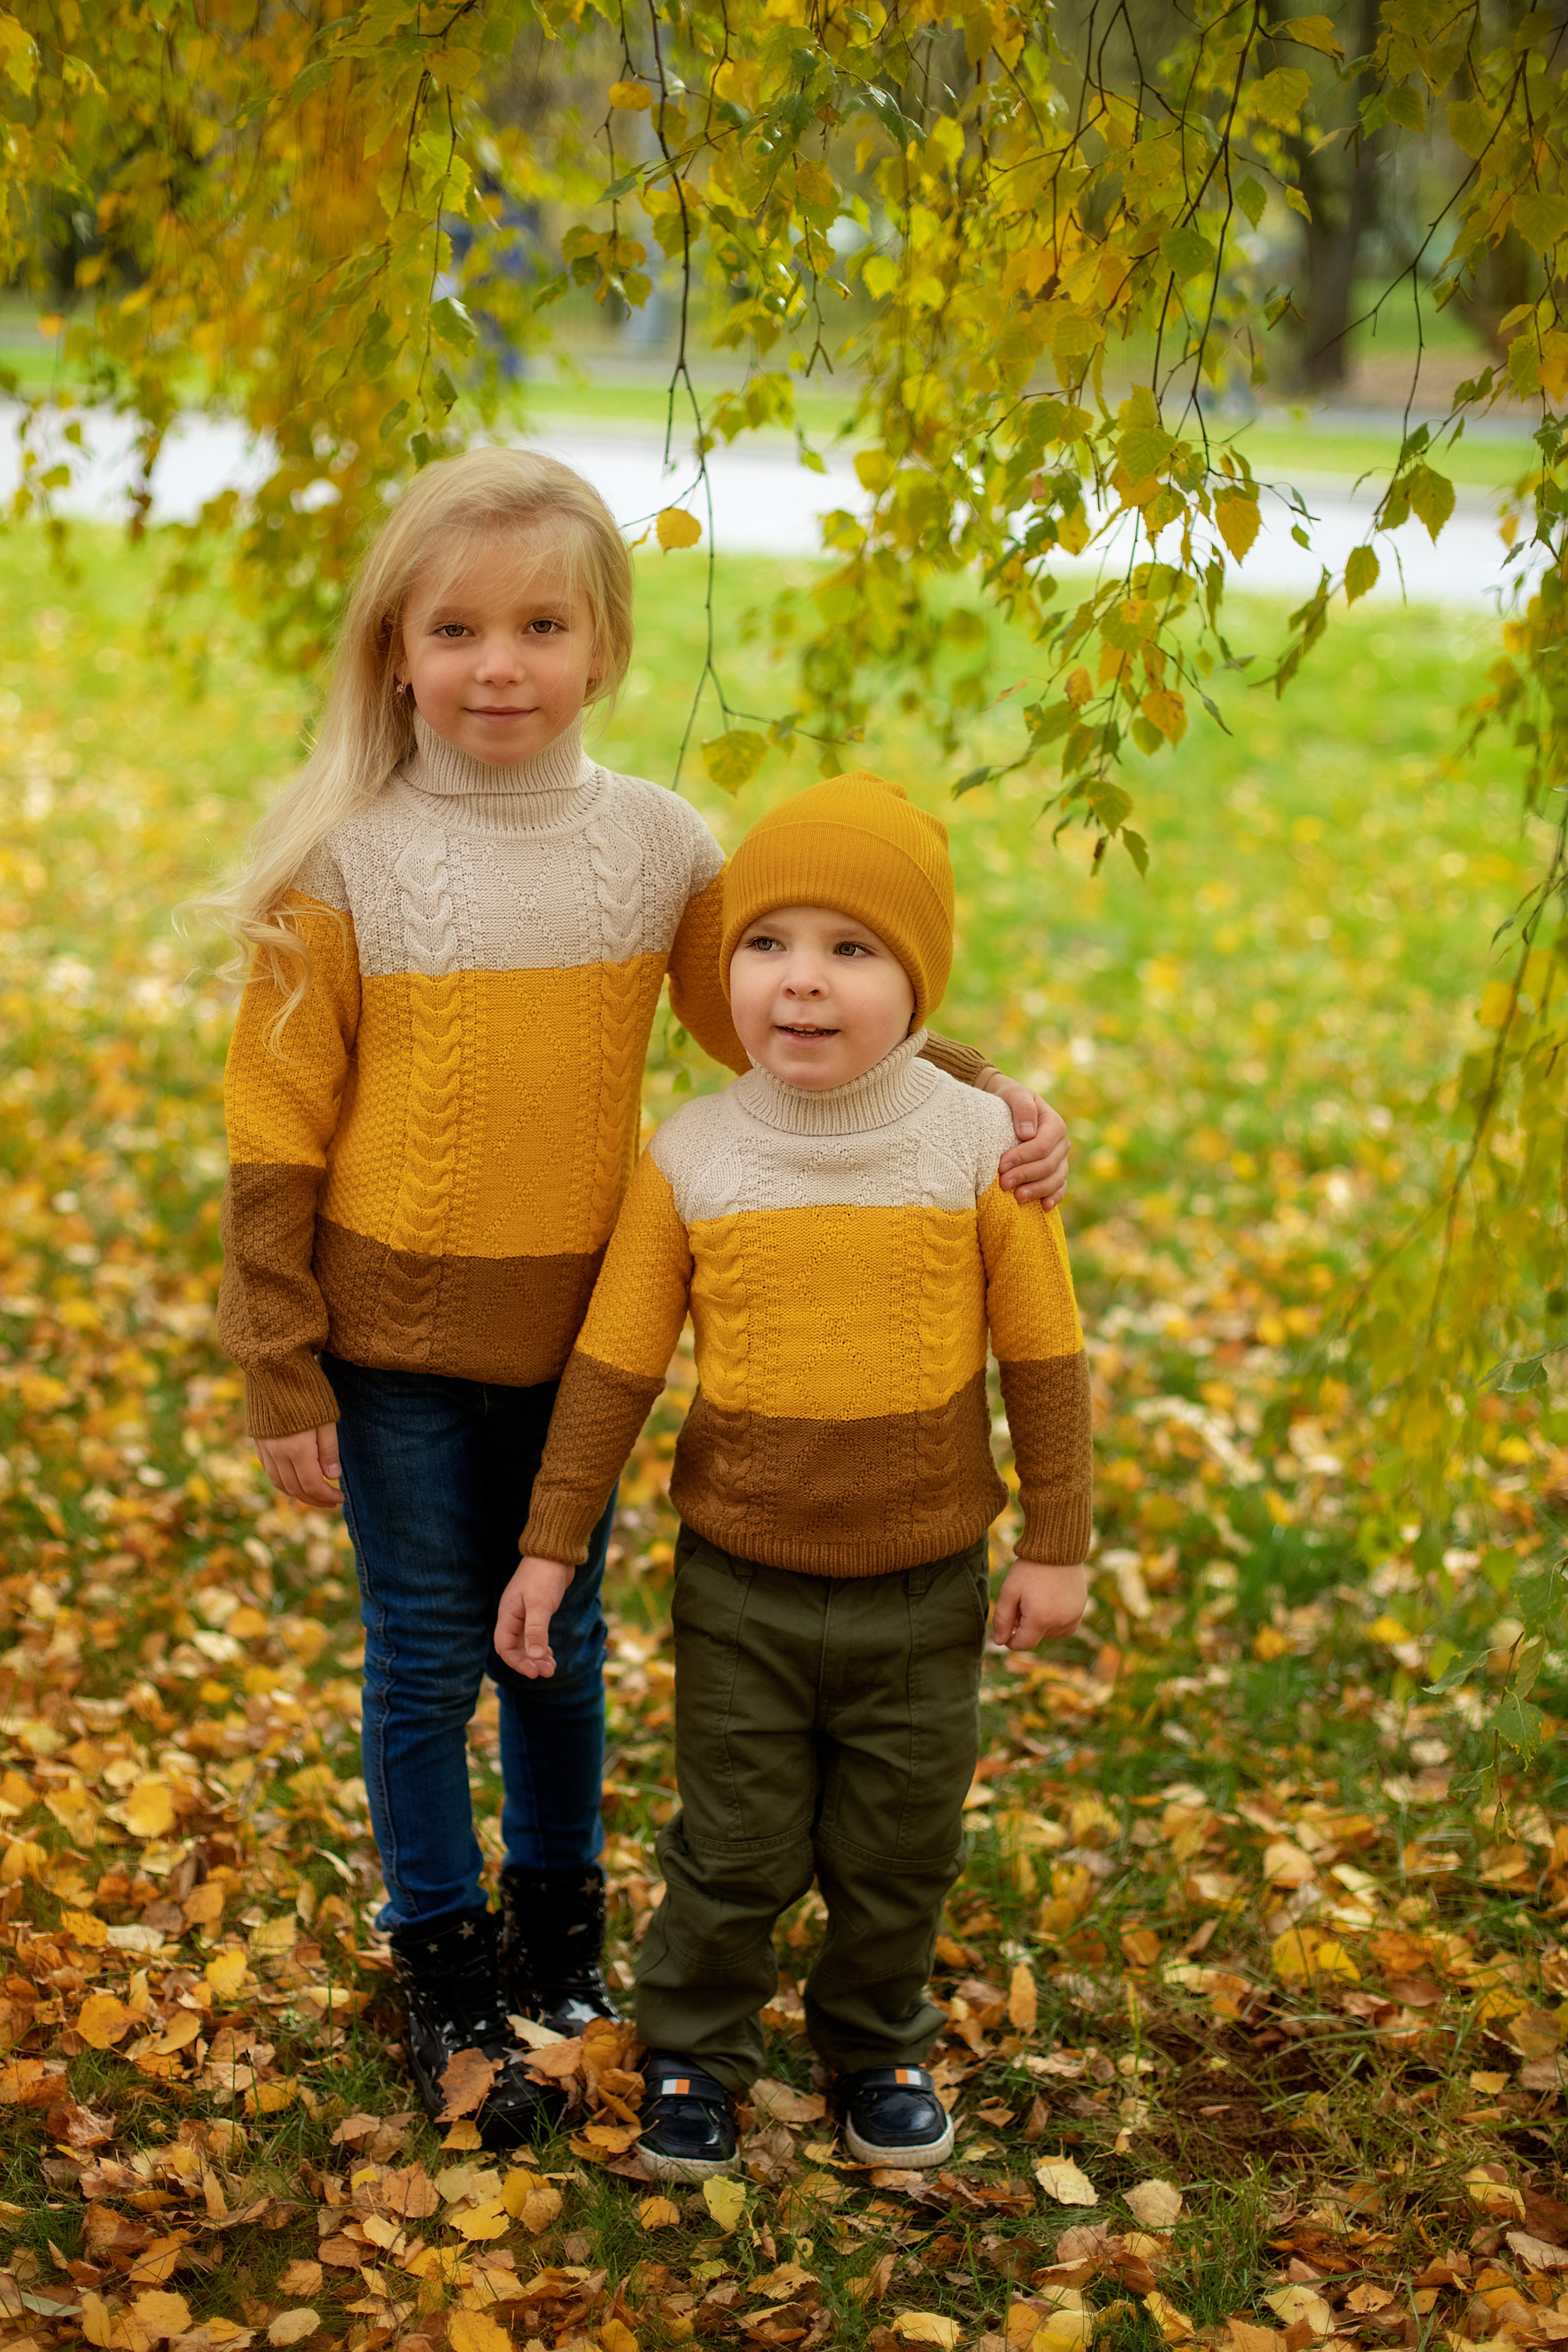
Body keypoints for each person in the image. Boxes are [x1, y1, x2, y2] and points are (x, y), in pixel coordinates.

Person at [208, 448, 1073, 2149]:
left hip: (577, 1334)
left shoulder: (660, 847)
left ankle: (560, 1937)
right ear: (394, 650)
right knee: (426, 1652)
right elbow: (272, 1128)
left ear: (603, 646)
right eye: (456, 629)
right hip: (392, 1347)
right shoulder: (349, 858)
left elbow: (781, 1015)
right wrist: (279, 1362)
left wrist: (980, 1092)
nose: (500, 665)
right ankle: (444, 1959)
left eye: (542, 626)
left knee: (555, 1646)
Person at [498, 772, 1093, 2181]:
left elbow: (1045, 1355)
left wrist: (1055, 1541)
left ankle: (875, 2043)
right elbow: (615, 1363)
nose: (802, 981)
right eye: (766, 944)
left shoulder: (976, 1149)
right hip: (743, 1588)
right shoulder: (694, 1154)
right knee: (734, 1842)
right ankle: (693, 2054)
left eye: (851, 948)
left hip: (924, 1587)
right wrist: (549, 1541)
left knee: (897, 1842)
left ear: (919, 982)